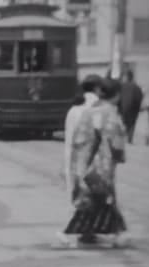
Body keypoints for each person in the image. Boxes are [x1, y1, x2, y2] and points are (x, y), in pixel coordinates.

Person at [60, 78, 129, 248]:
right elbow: (115, 141)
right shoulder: (110, 113)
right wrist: (119, 156)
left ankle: (88, 232)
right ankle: (115, 233)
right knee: (105, 198)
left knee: (91, 199)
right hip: (101, 163)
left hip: (84, 162)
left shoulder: (89, 111)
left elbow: (78, 138)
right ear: (116, 95)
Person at [118, 69, 143, 144]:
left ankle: (125, 135)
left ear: (126, 77)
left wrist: (119, 107)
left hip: (123, 108)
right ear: (132, 77)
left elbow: (118, 97)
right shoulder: (136, 87)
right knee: (132, 123)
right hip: (133, 108)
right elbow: (139, 97)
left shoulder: (121, 86)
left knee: (125, 122)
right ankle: (130, 138)